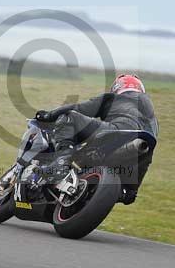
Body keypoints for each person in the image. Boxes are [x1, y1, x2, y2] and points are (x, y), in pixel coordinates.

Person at [34, 74, 159, 204]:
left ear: (118, 87)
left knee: (69, 117)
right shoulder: (153, 121)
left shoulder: (113, 97)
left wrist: (48, 115)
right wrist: (132, 189)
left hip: (115, 132)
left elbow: (79, 109)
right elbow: (147, 158)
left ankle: (61, 161)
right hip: (134, 151)